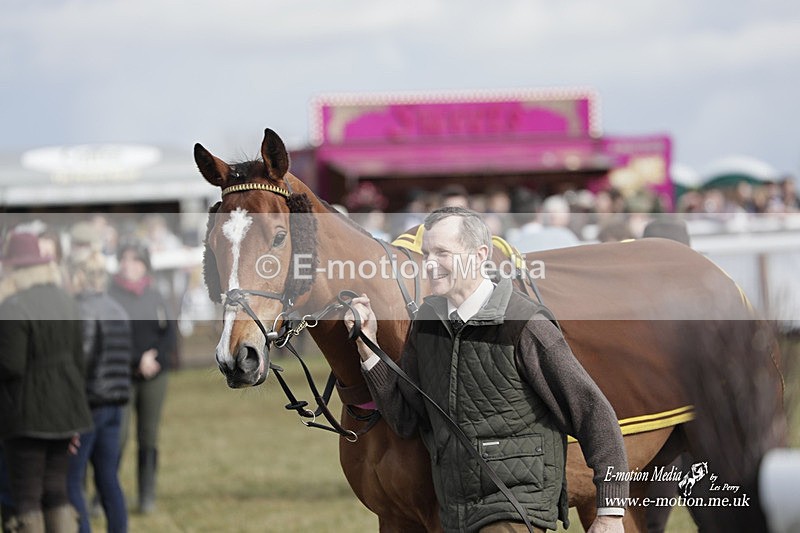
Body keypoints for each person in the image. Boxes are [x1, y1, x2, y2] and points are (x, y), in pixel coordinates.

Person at [345, 207, 628, 533]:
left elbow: (593, 413)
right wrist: (367, 346)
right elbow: (407, 418)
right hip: (456, 512)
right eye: (426, 253)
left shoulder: (525, 323)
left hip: (515, 507)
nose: (430, 264)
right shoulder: (427, 322)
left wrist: (610, 511)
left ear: (479, 255)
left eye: (442, 253)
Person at [0, 231, 93, 532]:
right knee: (57, 492)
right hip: (67, 411)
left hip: (27, 414)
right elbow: (80, 361)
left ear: (15, 268)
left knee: (26, 497)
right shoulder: (66, 301)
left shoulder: (13, 307)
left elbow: (10, 366)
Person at [66, 249, 132, 533]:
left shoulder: (81, 310)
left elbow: (81, 361)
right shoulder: (117, 308)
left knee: (72, 481)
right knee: (108, 479)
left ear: (78, 275)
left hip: (88, 404)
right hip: (115, 404)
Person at [109, 241, 176, 514]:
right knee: (117, 438)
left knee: (148, 437)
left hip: (154, 376)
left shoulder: (156, 295)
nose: (129, 265)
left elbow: (169, 333)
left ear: (144, 265)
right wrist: (137, 359)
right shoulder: (110, 296)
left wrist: (154, 359)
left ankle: (146, 495)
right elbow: (110, 337)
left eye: (135, 261)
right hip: (121, 374)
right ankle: (104, 493)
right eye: (124, 260)